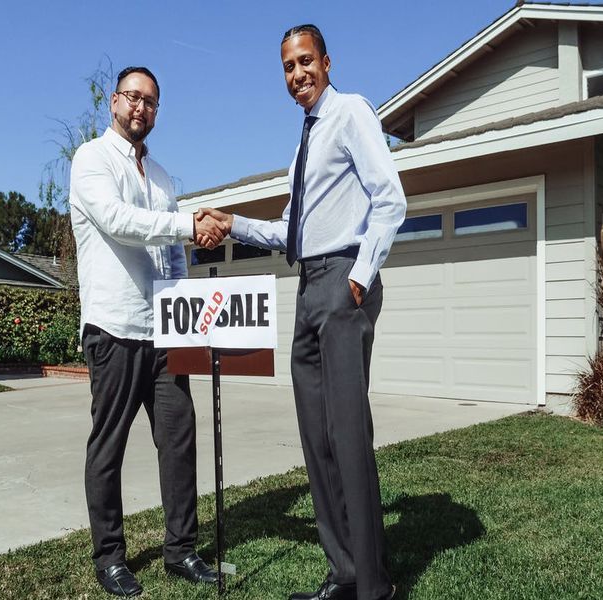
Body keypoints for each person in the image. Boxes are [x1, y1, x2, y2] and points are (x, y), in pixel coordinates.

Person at [198, 24, 405, 600]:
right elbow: (290, 232)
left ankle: (374, 587)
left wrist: (361, 277)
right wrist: (233, 223)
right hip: (308, 285)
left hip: (342, 282)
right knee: (317, 439)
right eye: (288, 67)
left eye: (305, 62)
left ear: (327, 61)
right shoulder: (304, 142)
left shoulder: (351, 114)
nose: (297, 75)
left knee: (347, 434)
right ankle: (344, 573)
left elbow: (391, 198)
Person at [70, 65, 228, 598]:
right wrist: (188, 224)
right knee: (108, 447)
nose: (141, 108)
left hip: (164, 333)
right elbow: (118, 221)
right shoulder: (90, 159)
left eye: (151, 102)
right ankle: (110, 556)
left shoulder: (161, 176)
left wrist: (187, 312)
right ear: (114, 102)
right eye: (133, 98)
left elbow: (169, 256)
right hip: (113, 328)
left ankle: (181, 550)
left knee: (179, 439)